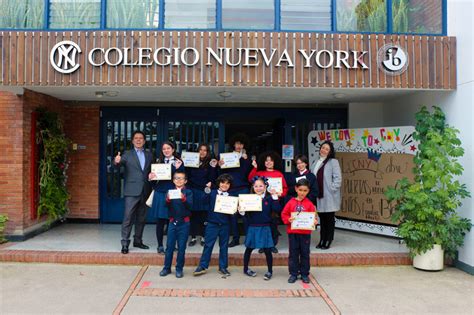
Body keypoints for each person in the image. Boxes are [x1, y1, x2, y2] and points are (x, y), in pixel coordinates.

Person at [114, 131, 153, 254]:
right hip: (131, 191)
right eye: (136, 138)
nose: (138, 140)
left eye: (141, 138)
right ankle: (125, 243)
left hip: (145, 190)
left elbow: (153, 170)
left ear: (144, 141)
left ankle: (138, 241)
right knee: (128, 218)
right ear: (132, 141)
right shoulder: (127, 154)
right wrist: (116, 161)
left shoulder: (149, 155)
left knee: (141, 218)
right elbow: (118, 166)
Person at [193, 174, 235, 277]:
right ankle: (202, 266)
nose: (224, 185)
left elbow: (233, 213)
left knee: (224, 246)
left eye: (227, 183)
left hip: (225, 224)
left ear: (230, 185)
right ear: (219, 183)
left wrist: (236, 210)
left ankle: (223, 267)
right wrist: (207, 189)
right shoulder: (212, 193)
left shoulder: (232, 196)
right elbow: (203, 200)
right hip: (212, 223)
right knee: (208, 245)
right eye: (222, 182)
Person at [240, 176, 281, 280]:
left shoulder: (269, 198)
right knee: (249, 249)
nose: (258, 188)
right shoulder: (248, 199)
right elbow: (246, 215)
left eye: (261, 186)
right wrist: (242, 212)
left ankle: (269, 271)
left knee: (267, 250)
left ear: (265, 186)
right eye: (256, 186)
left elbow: (277, 209)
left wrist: (275, 198)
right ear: (253, 187)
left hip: (265, 227)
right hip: (253, 227)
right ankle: (245, 269)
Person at [248, 151, 288, 253]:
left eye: (271, 161)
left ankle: (273, 244)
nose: (268, 162)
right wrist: (255, 168)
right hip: (261, 203)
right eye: (266, 161)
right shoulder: (260, 173)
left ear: (275, 162)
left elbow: (285, 189)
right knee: (263, 225)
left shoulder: (279, 174)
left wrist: (280, 194)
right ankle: (263, 245)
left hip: (274, 203)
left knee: (273, 225)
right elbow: (250, 179)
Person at [149, 141, 185, 254]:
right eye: (164, 149)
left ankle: (172, 245)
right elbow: (154, 183)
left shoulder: (179, 162)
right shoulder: (158, 162)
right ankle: (160, 245)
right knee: (160, 221)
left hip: (173, 194)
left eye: (168, 148)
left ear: (173, 149)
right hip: (160, 193)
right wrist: (151, 179)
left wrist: (179, 169)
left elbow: (181, 179)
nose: (166, 150)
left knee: (173, 221)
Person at [218, 133, 252, 248]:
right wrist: (220, 165)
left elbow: (248, 173)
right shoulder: (227, 157)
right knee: (232, 215)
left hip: (243, 188)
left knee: (245, 215)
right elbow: (222, 174)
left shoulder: (247, 157)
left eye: (241, 143)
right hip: (231, 189)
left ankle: (248, 239)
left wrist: (246, 160)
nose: (239, 146)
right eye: (237, 143)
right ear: (233, 144)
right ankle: (235, 238)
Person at [281, 179, 318, 284]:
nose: (302, 193)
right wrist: (288, 219)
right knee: (293, 253)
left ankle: (304, 274)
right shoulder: (290, 203)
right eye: (300, 190)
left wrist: (314, 221)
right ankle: (293, 273)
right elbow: (284, 214)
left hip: (305, 234)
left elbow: (314, 217)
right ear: (296, 189)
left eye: (305, 190)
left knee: (305, 253)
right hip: (293, 233)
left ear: (308, 191)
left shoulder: (310, 204)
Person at [159, 171, 193, 278]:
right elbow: (164, 204)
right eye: (176, 178)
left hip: (184, 223)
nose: (179, 180)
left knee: (182, 247)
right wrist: (168, 200)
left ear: (185, 181)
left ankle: (179, 268)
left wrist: (184, 199)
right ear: (173, 180)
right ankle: (166, 268)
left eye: (181, 178)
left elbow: (190, 206)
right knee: (169, 247)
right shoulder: (170, 192)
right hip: (172, 222)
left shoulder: (188, 192)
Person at [311, 140, 342, 250]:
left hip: (329, 196)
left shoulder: (333, 162)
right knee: (322, 219)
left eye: (327, 149)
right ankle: (322, 239)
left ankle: (328, 240)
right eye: (323, 147)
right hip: (318, 196)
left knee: (329, 219)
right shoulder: (316, 162)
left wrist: (332, 189)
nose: (324, 150)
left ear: (330, 152)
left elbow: (338, 178)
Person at [186, 143, 218, 247]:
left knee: (204, 215)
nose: (202, 152)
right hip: (193, 191)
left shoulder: (210, 164)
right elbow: (187, 176)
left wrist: (211, 181)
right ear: (197, 151)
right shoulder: (191, 162)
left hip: (204, 192)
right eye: (201, 150)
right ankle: (194, 236)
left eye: (205, 150)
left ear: (208, 152)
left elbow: (213, 178)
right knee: (193, 215)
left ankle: (204, 236)